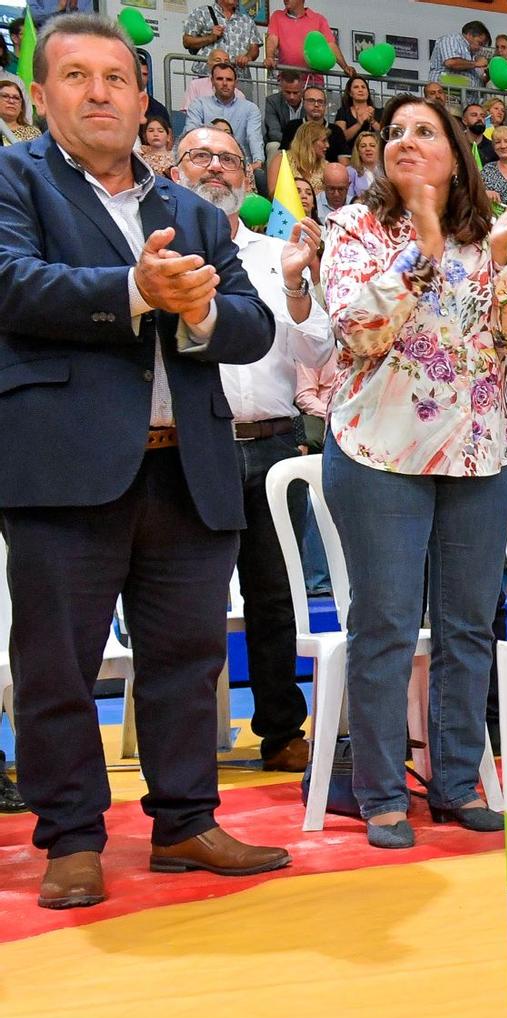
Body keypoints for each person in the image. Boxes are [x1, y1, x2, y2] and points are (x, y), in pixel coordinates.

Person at [0, 13, 288, 908]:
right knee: (57, 664)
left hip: (188, 466)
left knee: (188, 657)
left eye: (116, 78)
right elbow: (10, 282)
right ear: (43, 97)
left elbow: (254, 325)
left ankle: (185, 822)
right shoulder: (13, 178)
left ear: (140, 95)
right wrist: (133, 291)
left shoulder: (192, 208)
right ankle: (74, 838)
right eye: (76, 77)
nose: (98, 93)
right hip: (64, 465)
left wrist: (197, 311)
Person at [319, 93, 507, 849]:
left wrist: (505, 258)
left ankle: (454, 782)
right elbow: (356, 331)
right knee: (384, 625)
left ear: (456, 155)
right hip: (380, 452)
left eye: (425, 131)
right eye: (394, 133)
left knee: (468, 626)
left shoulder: (488, 240)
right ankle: (380, 793)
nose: (405, 141)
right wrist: (421, 245)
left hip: (480, 451)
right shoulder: (357, 228)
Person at [171, 125, 330, 772]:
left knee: (274, 597)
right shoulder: (157, 252)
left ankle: (280, 729)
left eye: (230, 159)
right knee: (185, 599)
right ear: (174, 170)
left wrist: (297, 283)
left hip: (271, 447)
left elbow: (318, 350)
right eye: (201, 157)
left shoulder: (276, 252)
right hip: (186, 447)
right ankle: (183, 742)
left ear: (248, 176)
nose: (217, 169)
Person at [182, 51, 265, 173]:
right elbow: (191, 134)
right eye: (220, 79)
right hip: (205, 163)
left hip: (237, 165)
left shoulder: (250, 109)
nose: (225, 83)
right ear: (212, 81)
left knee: (259, 174)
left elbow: (254, 137)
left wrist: (258, 162)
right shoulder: (199, 104)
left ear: (235, 83)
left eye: (229, 80)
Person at [264, 0, 352, 80]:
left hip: (313, 81)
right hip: (288, 82)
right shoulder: (277, 16)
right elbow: (272, 39)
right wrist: (269, 57)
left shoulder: (318, 19)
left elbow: (330, 45)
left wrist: (345, 67)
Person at [181, 0, 261, 66]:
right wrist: (210, 38)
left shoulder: (247, 20)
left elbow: (254, 48)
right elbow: (187, 41)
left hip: (240, 78)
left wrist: (248, 57)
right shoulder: (201, 12)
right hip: (207, 76)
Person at [429, 19, 490, 88]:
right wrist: (476, 63)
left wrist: (486, 76)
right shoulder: (452, 39)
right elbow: (451, 63)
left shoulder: (473, 54)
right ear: (469, 35)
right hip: (446, 94)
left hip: (465, 97)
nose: (480, 48)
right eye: (479, 43)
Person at [332, 75, 378, 163]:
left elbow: (385, 134)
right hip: (349, 157)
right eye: (356, 87)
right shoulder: (343, 112)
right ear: (350, 93)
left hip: (373, 158)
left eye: (363, 87)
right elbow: (340, 138)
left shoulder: (379, 112)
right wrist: (359, 124)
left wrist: (372, 121)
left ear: (368, 92)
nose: (360, 90)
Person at [0, 72, 39, 145]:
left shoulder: (33, 133)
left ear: (22, 107)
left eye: (16, 98)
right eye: (5, 96)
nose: (11, 101)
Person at [348, 128, 381, 195]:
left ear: (378, 149)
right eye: (363, 146)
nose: (368, 149)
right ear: (358, 152)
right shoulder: (350, 171)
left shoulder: (386, 171)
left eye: (372, 145)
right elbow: (348, 198)